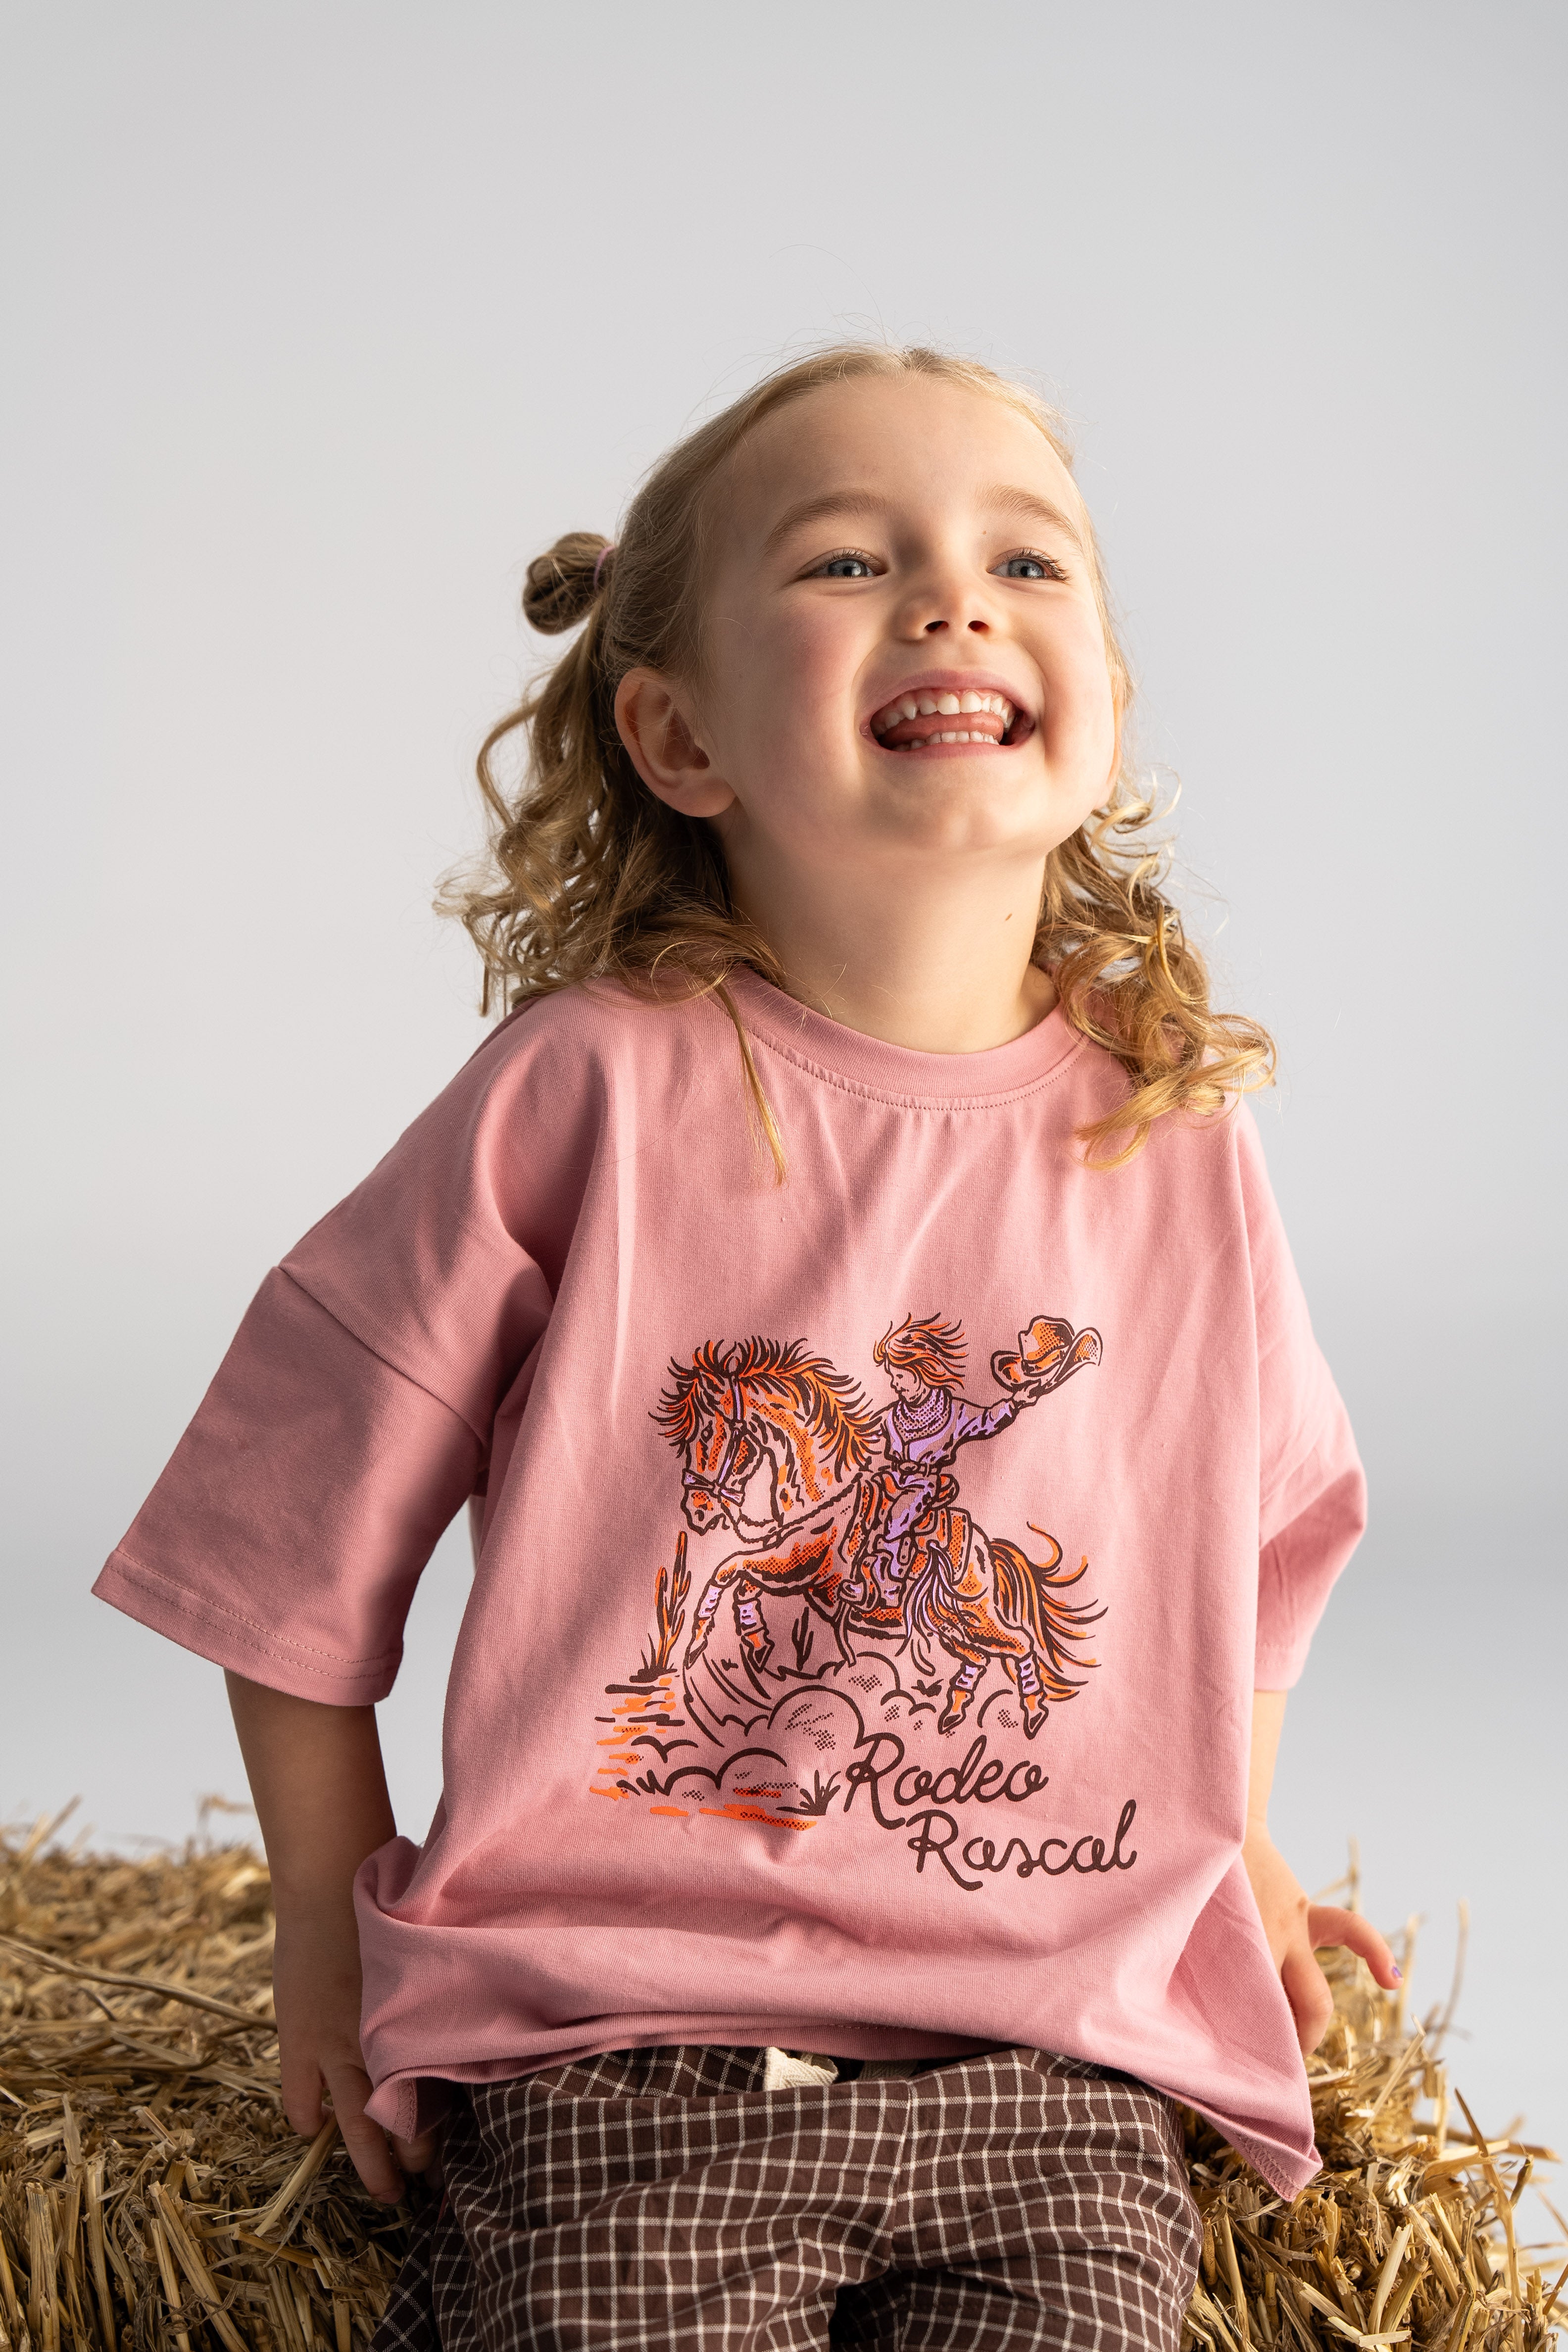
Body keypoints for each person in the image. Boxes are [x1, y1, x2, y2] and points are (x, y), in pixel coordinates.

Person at [96, 344, 1397, 2351]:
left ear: (1111, 714)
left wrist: (1240, 1847)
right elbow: (296, 1514)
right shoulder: (589, 1096)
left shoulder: (1173, 1136)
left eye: (1028, 564)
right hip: (625, 2064)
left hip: (1053, 2080)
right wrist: (324, 1920)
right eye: (850, 562)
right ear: (677, 735)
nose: (956, 601)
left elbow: (1255, 1548)